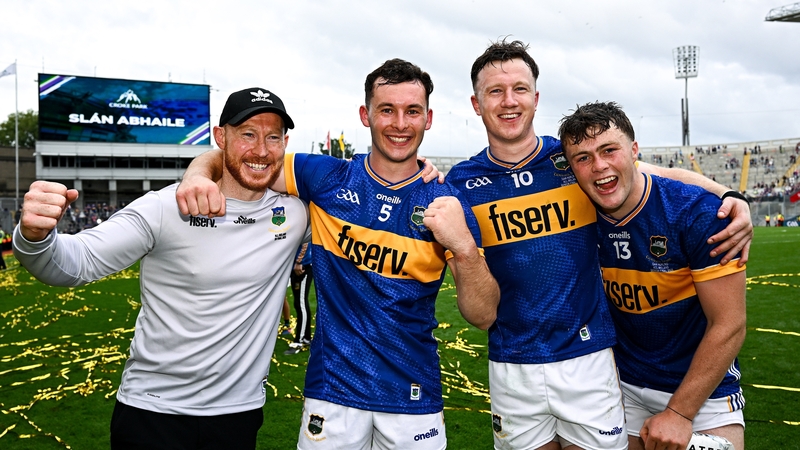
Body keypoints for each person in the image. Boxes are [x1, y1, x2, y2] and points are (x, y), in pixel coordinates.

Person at [445, 39, 753, 449]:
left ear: (536, 98)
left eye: (519, 89)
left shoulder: (574, 159)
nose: (509, 101)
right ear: (476, 103)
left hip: (590, 362)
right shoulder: (462, 184)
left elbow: (655, 175)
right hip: (515, 364)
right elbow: (478, 308)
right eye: (495, 91)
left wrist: (732, 197)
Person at [176, 58, 499, 449]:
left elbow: (483, 316)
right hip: (332, 393)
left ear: (428, 119)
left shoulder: (446, 200)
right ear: (366, 115)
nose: (400, 123)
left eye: (412, 111)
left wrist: (464, 248)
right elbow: (243, 160)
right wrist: (195, 174)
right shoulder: (327, 177)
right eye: (387, 110)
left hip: (414, 396)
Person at [13, 87, 310, 449]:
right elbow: (76, 263)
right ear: (221, 137)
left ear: (285, 142)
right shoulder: (163, 208)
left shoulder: (294, 212)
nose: (261, 149)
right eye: (247, 134)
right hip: (152, 413)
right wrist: (35, 235)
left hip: (239, 415)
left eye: (273, 137)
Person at [559, 101, 746, 450]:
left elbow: (730, 322)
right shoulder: (575, 214)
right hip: (623, 387)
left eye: (609, 150)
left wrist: (679, 412)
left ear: (634, 151)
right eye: (582, 158)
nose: (599, 166)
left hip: (703, 390)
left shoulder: (698, 214)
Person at [284, 242, 314, 355]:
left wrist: (299, 261)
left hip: (302, 266)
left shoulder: (304, 223)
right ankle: (306, 337)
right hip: (296, 265)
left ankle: (299, 341)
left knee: (301, 303)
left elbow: (305, 241)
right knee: (298, 303)